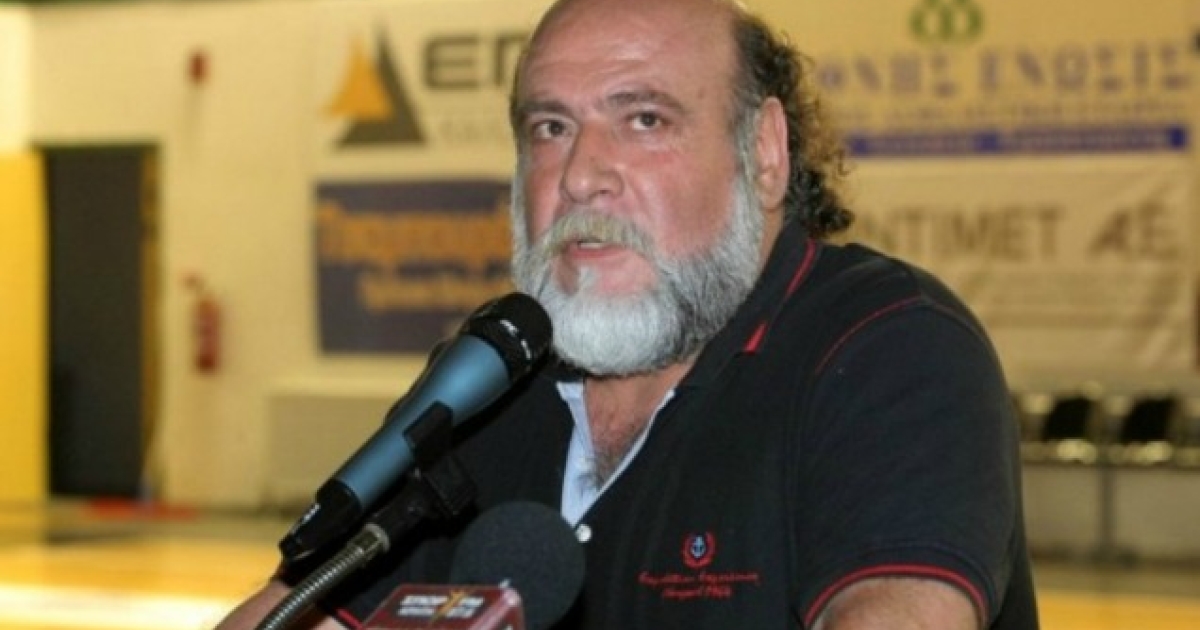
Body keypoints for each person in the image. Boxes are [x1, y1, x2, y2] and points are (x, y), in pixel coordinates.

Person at [216, 0, 1038, 627]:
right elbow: (290, 612)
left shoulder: (889, 347)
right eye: (551, 126)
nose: (580, 175)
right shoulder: (488, 381)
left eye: (644, 120)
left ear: (764, 153)